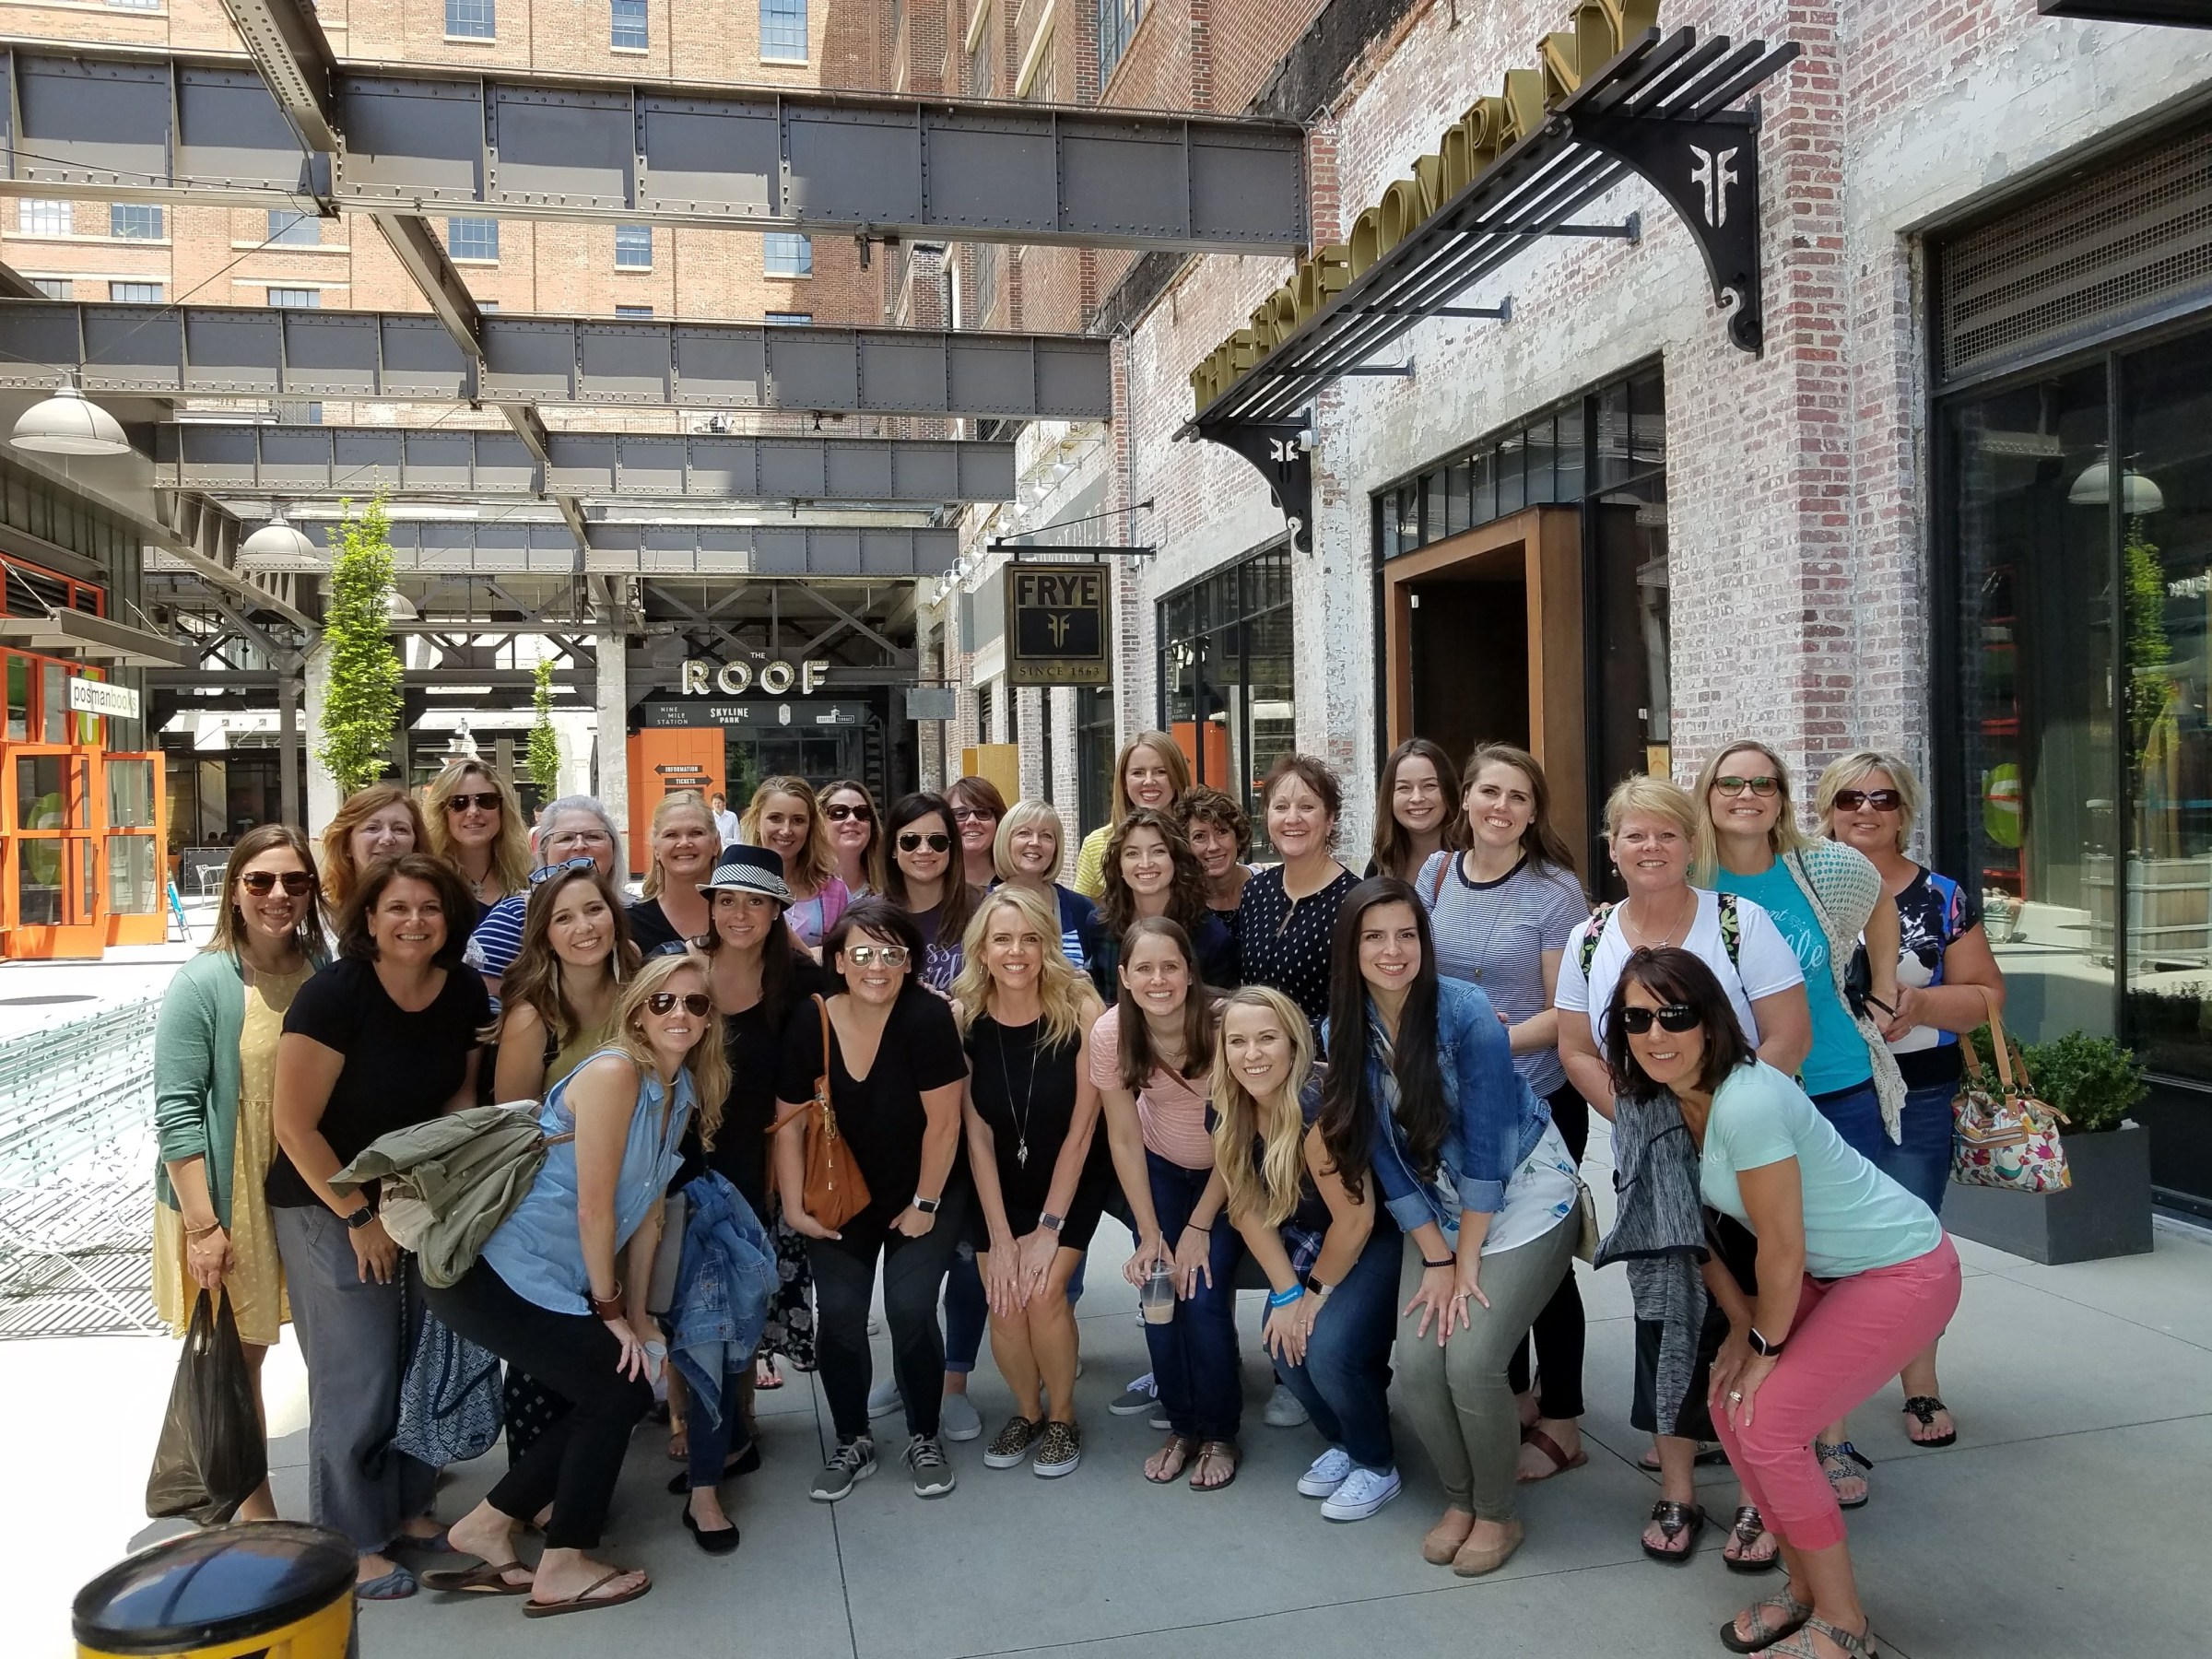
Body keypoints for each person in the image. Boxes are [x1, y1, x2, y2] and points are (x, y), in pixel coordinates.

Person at [1604, 948, 1959, 1659]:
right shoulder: (1659, 1105)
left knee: (1767, 1425)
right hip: (1835, 1274)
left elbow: (1782, 1246)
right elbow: (1694, 1237)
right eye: (1637, 1019)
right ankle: (1803, 1590)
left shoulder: (1748, 1101)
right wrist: (1742, 1330)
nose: (1655, 1034)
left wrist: (1765, 1346)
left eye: (1674, 1015)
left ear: (1711, 1022)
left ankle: (1845, 1624)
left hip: (1902, 1269)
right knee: (1729, 1407)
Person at [1556, 773, 1811, 1568]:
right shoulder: (1590, 939)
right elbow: (1575, 1048)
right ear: (1613, 848)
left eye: (1667, 833)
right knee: (1665, 1316)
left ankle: (1760, 1492)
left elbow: (1789, 1035)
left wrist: (1720, 1120)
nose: (1651, 847)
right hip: (1650, 1160)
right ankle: (1677, 1488)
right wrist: (1649, 1123)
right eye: (1635, 834)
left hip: (1747, 1154)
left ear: (1691, 845)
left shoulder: (1738, 923)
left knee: (1760, 1314)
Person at [422, 952, 727, 1613]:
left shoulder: (679, 1094)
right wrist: (611, 1310)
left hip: (546, 1277)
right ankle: (559, 1562)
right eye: (663, 1001)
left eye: (695, 1004)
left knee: (616, 1387)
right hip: (495, 1270)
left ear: (709, 1021)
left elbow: (646, 1217)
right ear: (638, 1013)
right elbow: (594, 1208)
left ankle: (490, 1527)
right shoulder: (616, 1074)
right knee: (614, 1390)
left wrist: (638, 1317)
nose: (679, 1014)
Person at [1318, 877, 1580, 1575]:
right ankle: (1461, 1500)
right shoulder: (1342, 1029)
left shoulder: (1466, 1012)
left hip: (1522, 1192)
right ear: (1351, 949)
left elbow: (1490, 1147)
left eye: (1406, 934)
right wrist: (1435, 1258)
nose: (1392, 950)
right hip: (1435, 1206)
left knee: (1471, 1360)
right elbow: (1383, 1154)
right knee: (1419, 1361)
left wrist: (1466, 1261)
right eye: (1374, 937)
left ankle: (1498, 1514)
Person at [269, 853, 489, 1596]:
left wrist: (451, 1193)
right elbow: (293, 1126)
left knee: (419, 1357)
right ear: (368, 917)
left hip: (416, 1201)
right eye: (397, 907)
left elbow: (459, 1098)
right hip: (328, 1201)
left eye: (430, 908)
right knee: (358, 1371)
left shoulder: (461, 989)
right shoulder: (335, 995)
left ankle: (407, 1505)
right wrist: (358, 1214)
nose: (414, 921)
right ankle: (351, 1538)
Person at [1695, 740, 1903, 1509]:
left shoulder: (1821, 869)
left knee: (1836, 1271)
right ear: (1707, 794)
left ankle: (1831, 1434)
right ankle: (1761, 1419)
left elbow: (1881, 900)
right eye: (1730, 782)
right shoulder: (1690, 876)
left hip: (1838, 1086)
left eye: (1763, 783)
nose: (1746, 794)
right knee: (1767, 1266)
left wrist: (1883, 987)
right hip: (1739, 1105)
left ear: (1782, 797)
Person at [1417, 742, 1592, 1483]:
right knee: (1482, 1247)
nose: (1501, 807)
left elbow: (1566, 1012)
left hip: (1536, 1102)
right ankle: (1515, 1392)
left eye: (1518, 797)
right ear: (1466, 798)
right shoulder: (1435, 874)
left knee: (1542, 1263)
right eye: (1490, 791)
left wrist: (1481, 1044)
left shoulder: (1555, 891)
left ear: (1533, 812)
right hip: (1454, 1103)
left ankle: (1564, 1418)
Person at [1818, 748, 2002, 1450]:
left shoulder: (1941, 897)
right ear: (1828, 810)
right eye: (1850, 798)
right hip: (1822, 1094)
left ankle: (1920, 1383)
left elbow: (1987, 997)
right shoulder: (1798, 886)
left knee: (1912, 1242)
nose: (1866, 810)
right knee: (1817, 1246)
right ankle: (1823, 1395)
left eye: (1883, 798)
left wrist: (1923, 1003)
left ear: (1905, 812)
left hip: (1919, 1095)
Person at [153, 826, 327, 1524]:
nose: (278, 894)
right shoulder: (203, 983)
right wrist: (203, 1227)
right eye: (260, 881)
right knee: (243, 1353)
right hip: (230, 1191)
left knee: (323, 1343)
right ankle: (256, 1509)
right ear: (234, 891)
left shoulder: (321, 966)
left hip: (305, 1180)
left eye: (294, 881)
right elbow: (177, 1112)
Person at [776, 901, 970, 1502]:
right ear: (838, 960)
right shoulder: (811, 1020)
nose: (877, 965)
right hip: (841, 1194)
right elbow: (788, 1124)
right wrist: (793, 1207)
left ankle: (924, 1434)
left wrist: (925, 1204)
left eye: (892, 953)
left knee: (910, 1309)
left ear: (910, 962)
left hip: (925, 1189)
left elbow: (945, 1125)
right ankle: (852, 1438)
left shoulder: (927, 1018)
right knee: (839, 1314)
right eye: (861, 952)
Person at [1215, 985, 1404, 1522]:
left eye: (1267, 1039)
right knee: (1283, 1342)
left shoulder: (1317, 1109)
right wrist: (1286, 1295)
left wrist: (1313, 1295)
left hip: (1378, 1236)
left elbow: (1357, 1219)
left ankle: (1376, 1464)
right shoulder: (1226, 1109)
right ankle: (1346, 1439)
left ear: (1294, 1045)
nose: (1252, 1054)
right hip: (1312, 1239)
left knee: (1328, 1347)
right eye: (1237, 1041)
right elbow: (1247, 1208)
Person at [952, 887, 1111, 1478]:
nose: (1016, 952)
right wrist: (999, 1236)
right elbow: (976, 1135)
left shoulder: (1080, 1007)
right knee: (1004, 1295)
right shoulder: (964, 1018)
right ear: (982, 950)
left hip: (1070, 1176)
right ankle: (1026, 1411)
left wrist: (1047, 1230)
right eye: (1002, 939)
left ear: (1048, 945)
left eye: (1029, 939)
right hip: (996, 1181)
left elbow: (1083, 1128)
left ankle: (1063, 1416)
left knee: (1043, 1292)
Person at [1092, 918, 1240, 1489]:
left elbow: (1240, 1135)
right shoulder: (1111, 1033)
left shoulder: (1225, 1024)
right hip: (1159, 1167)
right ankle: (1182, 1426)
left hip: (1226, 1174)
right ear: (1125, 977)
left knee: (1201, 1296)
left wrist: (1199, 1226)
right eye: (1145, 969)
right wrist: (1150, 1232)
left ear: (1190, 972)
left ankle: (1220, 1431)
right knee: (1159, 1291)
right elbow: (1124, 1136)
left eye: (1170, 967)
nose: (1159, 980)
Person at [691, 843, 826, 1452]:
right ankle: (686, 1419)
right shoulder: (681, 971)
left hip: (768, 1163)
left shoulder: (799, 981)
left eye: (754, 901)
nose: (738, 914)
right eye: (726, 901)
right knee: (689, 1296)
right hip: (691, 1160)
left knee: (745, 1302)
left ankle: (738, 1417)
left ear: (776, 911)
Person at [493, 864, 641, 1116]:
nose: (584, 927)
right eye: (563, 918)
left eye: (594, 910)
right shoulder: (530, 1019)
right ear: (545, 937)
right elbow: (513, 1125)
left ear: (614, 918)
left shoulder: (638, 981)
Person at [1234, 755, 1359, 1030]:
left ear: (1329, 819)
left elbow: (1355, 1008)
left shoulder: (1354, 901)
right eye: (1281, 807)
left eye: (1306, 807)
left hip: (1321, 1053)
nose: (1292, 818)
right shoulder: (1255, 891)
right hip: (1255, 1050)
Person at [466, 797, 624, 1002]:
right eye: (565, 838)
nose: (580, 845)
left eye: (593, 836)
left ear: (613, 847)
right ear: (544, 850)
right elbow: (472, 994)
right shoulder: (518, 914)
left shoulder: (634, 912)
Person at [1077, 806, 1238, 999]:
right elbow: (1103, 994)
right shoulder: (1100, 925)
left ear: (1176, 861)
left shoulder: (1211, 938)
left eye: (1158, 851)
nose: (1145, 863)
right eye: (1132, 853)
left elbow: (1219, 1009)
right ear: (1119, 866)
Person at [1073, 733, 1192, 900]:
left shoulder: (1199, 838)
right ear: (1124, 782)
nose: (1149, 781)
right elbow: (1081, 910)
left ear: (1177, 776)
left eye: (1160, 771)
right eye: (1138, 773)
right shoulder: (1096, 844)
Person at [740, 776, 851, 951]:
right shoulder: (735, 886)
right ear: (757, 822)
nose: (786, 830)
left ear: (810, 826)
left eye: (798, 820)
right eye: (775, 818)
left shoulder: (835, 892)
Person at [881, 792, 975, 994]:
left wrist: (966, 1005)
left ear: (951, 847)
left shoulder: (983, 909)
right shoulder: (870, 917)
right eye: (910, 841)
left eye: (937, 841)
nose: (924, 850)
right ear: (893, 849)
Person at [995, 798, 1097, 970]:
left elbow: (1098, 973)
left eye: (1046, 836)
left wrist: (1088, 979)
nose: (1035, 842)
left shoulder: (1080, 908)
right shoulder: (980, 907)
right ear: (1005, 841)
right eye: (1024, 833)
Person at [425, 757, 530, 914]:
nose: (473, 812)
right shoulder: (428, 879)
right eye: (458, 802)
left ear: (502, 809)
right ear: (442, 813)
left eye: (486, 800)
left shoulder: (527, 876)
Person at [629, 792, 719, 955]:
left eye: (696, 833)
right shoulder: (630, 924)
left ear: (716, 843)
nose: (684, 843)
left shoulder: (739, 918)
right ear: (656, 849)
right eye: (671, 835)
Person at [1369, 737, 1465, 882]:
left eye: (1429, 785)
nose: (1417, 798)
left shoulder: (1474, 861)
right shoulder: (1379, 866)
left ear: (1448, 790)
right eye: (1404, 787)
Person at [317, 784, 425, 912]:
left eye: (400, 829)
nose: (387, 839)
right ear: (347, 845)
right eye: (372, 828)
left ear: (416, 844)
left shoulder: (438, 907)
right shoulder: (319, 912)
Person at [1179, 784, 1253, 922]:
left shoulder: (1269, 887)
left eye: (1222, 832)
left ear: (1238, 837)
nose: (1213, 847)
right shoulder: (1181, 903)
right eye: (1199, 836)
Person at [818, 779, 883, 900]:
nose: (852, 820)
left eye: (861, 813)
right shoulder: (801, 888)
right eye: (839, 812)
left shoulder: (890, 889)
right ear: (819, 822)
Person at [947, 775, 1008, 892]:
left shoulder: (1018, 881)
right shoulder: (934, 884)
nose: (972, 820)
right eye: (961, 814)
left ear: (999, 820)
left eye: (983, 813)